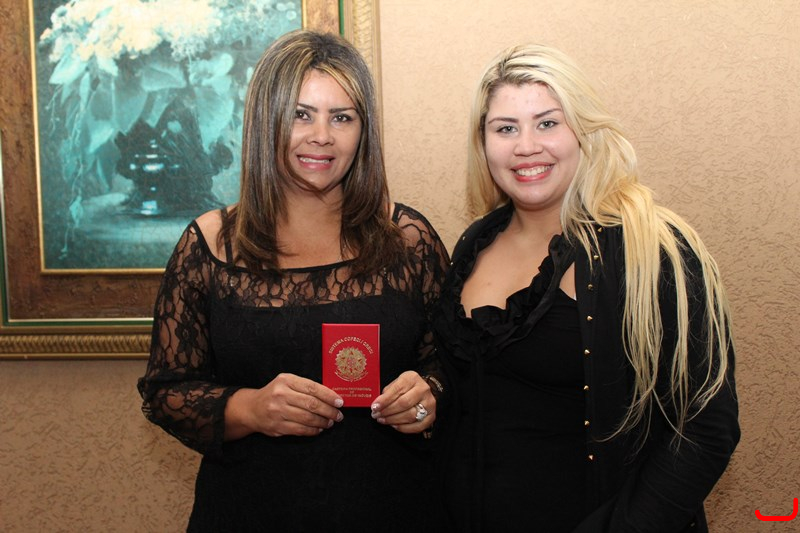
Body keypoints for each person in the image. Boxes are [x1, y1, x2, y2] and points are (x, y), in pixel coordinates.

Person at [137, 30, 449, 532]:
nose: (321, 135)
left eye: (342, 117)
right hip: (248, 513)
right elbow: (165, 393)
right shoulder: (210, 246)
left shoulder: (407, 239)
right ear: (266, 121)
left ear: (363, 131)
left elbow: (454, 364)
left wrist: (430, 394)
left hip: (395, 508)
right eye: (301, 114)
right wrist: (251, 408)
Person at [432, 44, 740, 532]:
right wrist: (427, 391)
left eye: (547, 123)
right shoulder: (476, 241)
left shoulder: (651, 247)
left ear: (583, 131)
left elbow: (706, 425)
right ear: (483, 142)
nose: (526, 146)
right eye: (505, 128)